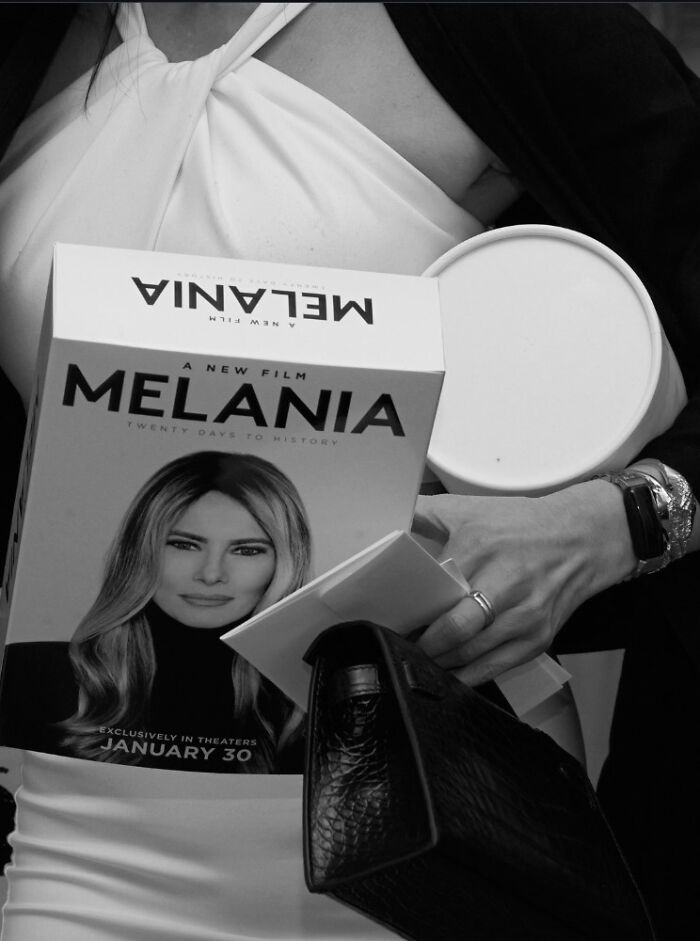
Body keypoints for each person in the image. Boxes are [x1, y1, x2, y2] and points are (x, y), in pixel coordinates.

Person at [0, 3, 698, 939]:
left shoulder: (500, 23)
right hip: (73, 813)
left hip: (418, 809)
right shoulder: (39, 30)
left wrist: (617, 520)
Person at [0, 451, 311, 772]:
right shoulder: (34, 674)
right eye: (184, 544)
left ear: (285, 562)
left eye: (247, 550)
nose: (211, 574)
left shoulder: (309, 700)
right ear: (141, 551)